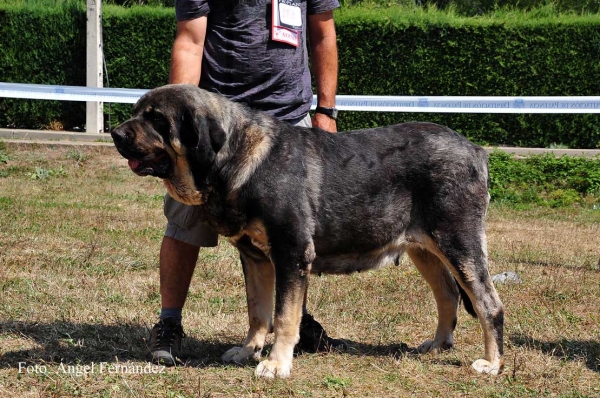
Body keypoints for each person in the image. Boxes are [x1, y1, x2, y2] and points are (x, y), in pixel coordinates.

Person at [146, 0, 343, 366]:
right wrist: (176, 129)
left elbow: (323, 31)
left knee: (289, 234)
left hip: (290, 118)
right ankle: (169, 322)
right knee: (183, 223)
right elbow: (190, 40)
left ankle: (292, 324)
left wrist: (326, 111)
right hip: (219, 124)